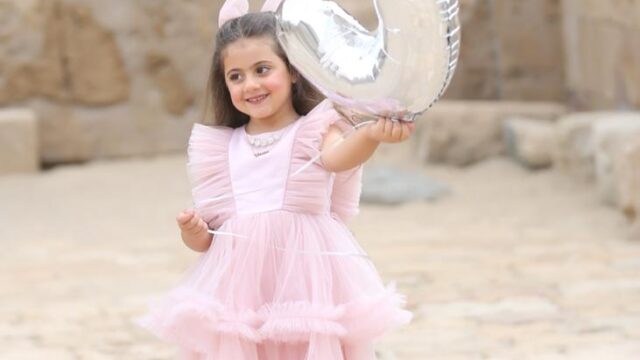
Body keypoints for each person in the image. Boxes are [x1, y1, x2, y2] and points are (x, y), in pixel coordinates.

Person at [136, 0, 414, 358]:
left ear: (294, 70)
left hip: (305, 275)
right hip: (241, 288)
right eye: (235, 76)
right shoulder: (222, 150)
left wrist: (372, 134)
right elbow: (213, 238)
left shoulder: (313, 130)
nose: (250, 84)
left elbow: (338, 157)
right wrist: (194, 232)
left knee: (304, 344)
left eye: (262, 69)